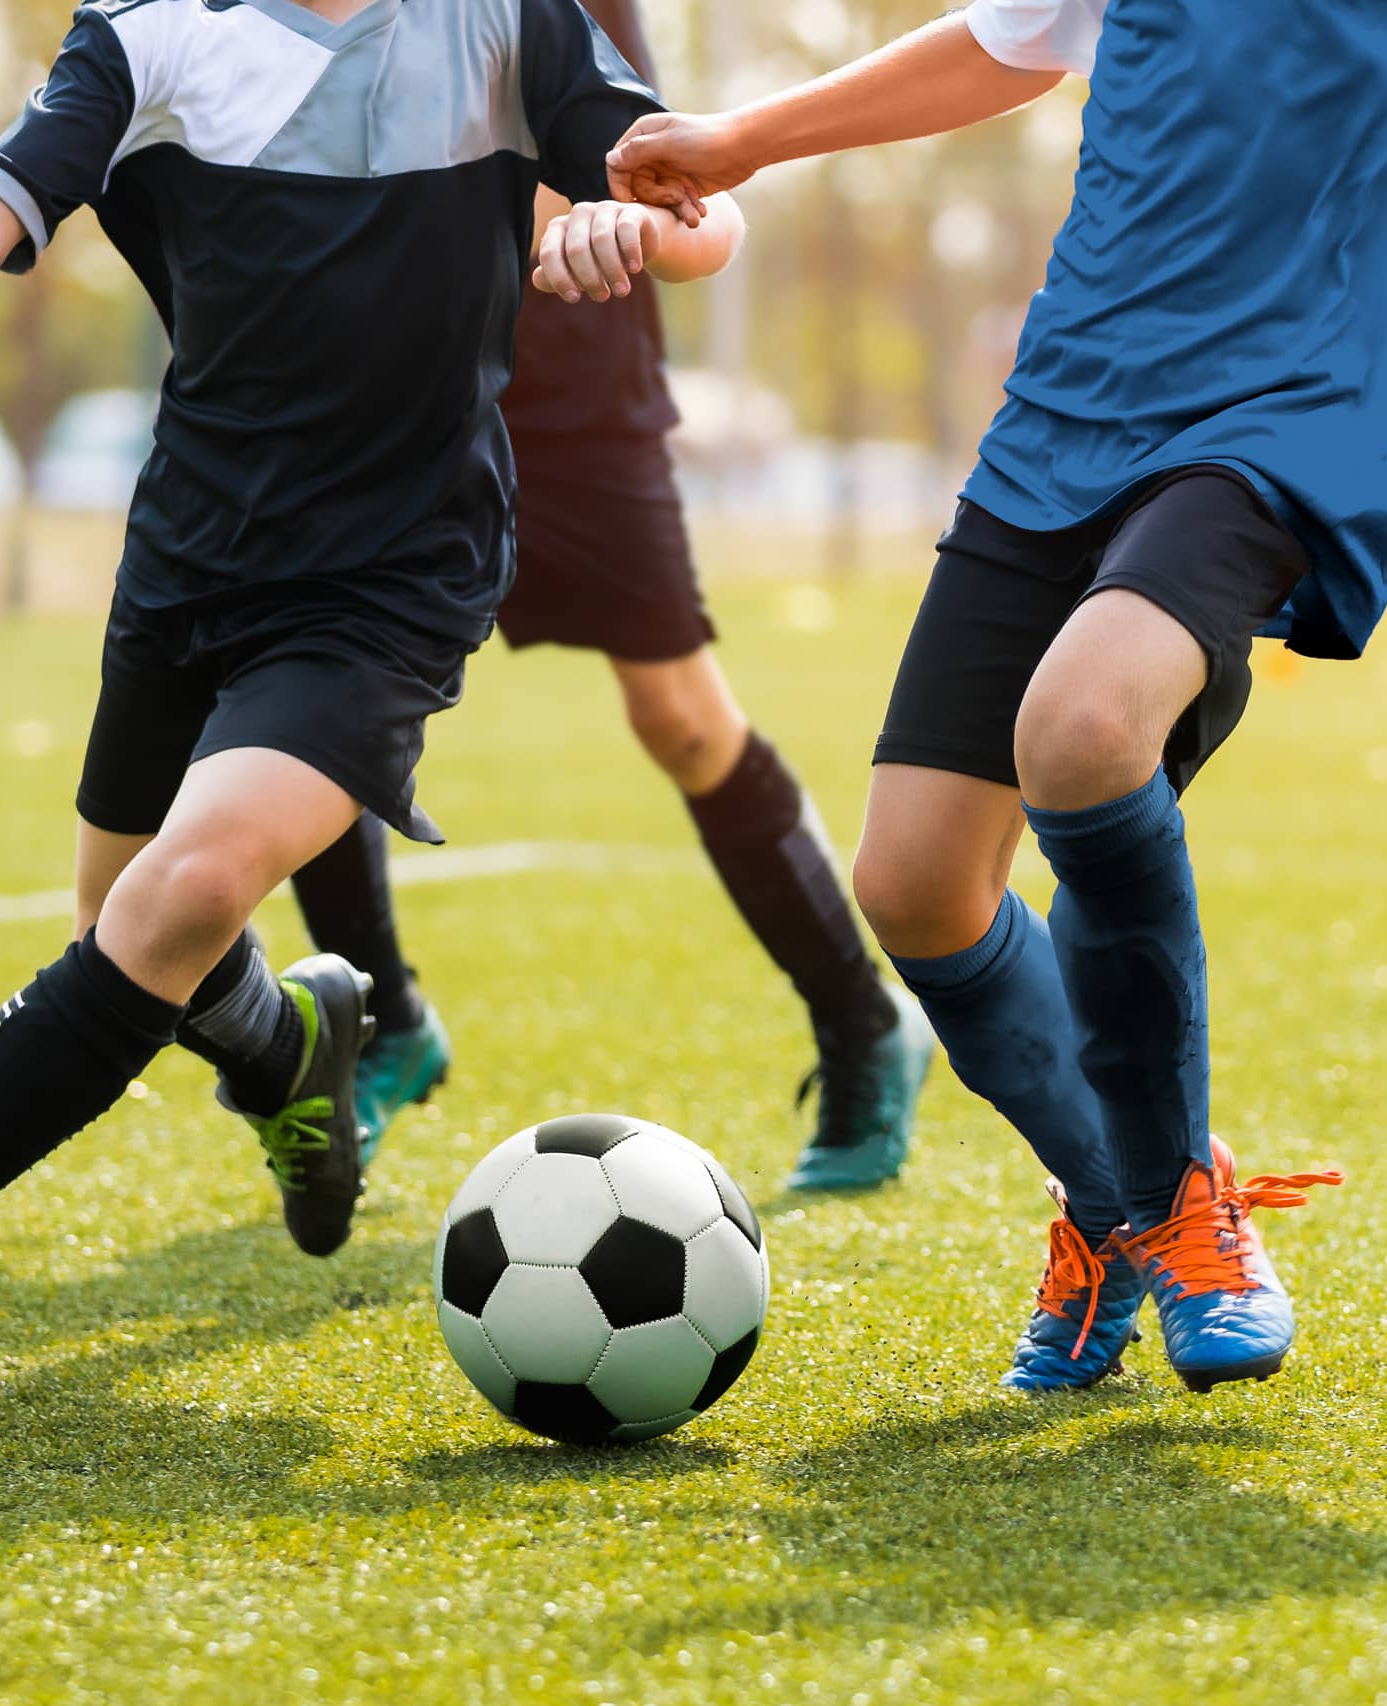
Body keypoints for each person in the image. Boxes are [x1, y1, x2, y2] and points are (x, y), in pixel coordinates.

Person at [0, 0, 742, 1381]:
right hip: (191, 555)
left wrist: (628, 226)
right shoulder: (148, 30)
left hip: (396, 571)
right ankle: (292, 1046)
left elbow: (701, 210)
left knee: (180, 896)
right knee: (126, 927)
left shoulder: (505, 19)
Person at [605, 0, 1387, 1392]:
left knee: (1080, 729)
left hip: (1281, 424)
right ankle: (1121, 1200)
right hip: (1064, 419)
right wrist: (743, 139)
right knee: (915, 884)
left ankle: (1185, 1213)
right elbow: (1006, 42)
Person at [286, 1, 935, 1196]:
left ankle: (862, 1018)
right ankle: (385, 1020)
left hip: (577, 369)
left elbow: (641, 152)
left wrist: (601, 208)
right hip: (391, 376)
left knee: (681, 719)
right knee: (316, 693)